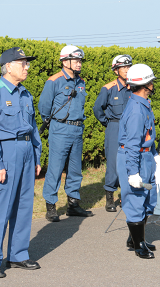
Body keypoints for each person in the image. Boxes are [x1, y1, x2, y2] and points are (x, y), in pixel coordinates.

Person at [0, 47, 42, 278]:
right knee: (0, 208)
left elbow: (32, 128)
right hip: (5, 152)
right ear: (9, 66)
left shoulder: (25, 94)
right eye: (22, 63)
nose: (27, 67)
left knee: (24, 206)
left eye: (26, 63)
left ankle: (18, 254)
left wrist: (37, 155)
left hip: (25, 152)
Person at [38, 45, 92, 222]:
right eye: (76, 60)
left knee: (75, 169)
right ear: (65, 61)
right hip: (60, 128)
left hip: (77, 129)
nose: (79, 63)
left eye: (80, 60)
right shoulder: (54, 81)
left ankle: (73, 204)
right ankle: (51, 206)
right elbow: (44, 108)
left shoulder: (81, 82)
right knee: (55, 168)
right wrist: (56, 122)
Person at [117, 63, 160, 259]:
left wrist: (153, 154)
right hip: (134, 157)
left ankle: (135, 238)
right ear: (145, 85)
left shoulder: (142, 104)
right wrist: (133, 172)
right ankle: (138, 246)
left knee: (148, 198)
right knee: (136, 199)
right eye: (151, 81)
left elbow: (146, 135)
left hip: (144, 156)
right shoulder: (137, 109)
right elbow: (133, 143)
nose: (153, 84)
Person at [93, 55, 132, 212]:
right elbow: (97, 108)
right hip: (114, 127)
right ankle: (110, 197)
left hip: (130, 129)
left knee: (130, 162)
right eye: (124, 67)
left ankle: (125, 196)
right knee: (113, 163)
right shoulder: (108, 88)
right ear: (116, 70)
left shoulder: (134, 88)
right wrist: (107, 123)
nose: (127, 70)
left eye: (129, 67)